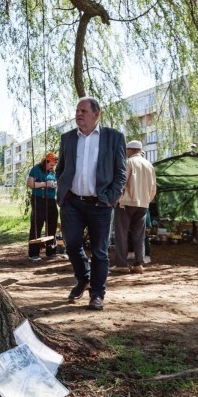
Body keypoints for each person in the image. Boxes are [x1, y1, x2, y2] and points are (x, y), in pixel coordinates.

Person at [55, 97, 127, 310]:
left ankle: (97, 294)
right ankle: (83, 277)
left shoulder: (113, 137)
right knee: (72, 244)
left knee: (100, 251)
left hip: (100, 204)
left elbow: (120, 172)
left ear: (97, 114)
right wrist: (63, 193)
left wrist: (111, 198)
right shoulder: (67, 138)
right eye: (77, 111)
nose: (79, 114)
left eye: (83, 111)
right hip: (72, 203)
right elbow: (61, 169)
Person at [113, 140, 157, 273]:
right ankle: (139, 263)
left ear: (130, 150)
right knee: (139, 235)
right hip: (143, 204)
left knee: (121, 234)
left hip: (126, 203)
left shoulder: (128, 162)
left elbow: (121, 181)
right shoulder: (149, 165)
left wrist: (116, 198)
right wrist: (147, 201)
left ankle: (121, 264)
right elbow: (153, 188)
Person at [26, 152, 58, 262]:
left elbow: (55, 183)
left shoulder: (53, 172)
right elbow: (30, 184)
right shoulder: (36, 169)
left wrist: (55, 185)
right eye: (51, 165)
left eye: (54, 166)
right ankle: (34, 253)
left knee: (52, 225)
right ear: (46, 161)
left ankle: (51, 251)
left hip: (51, 200)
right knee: (37, 225)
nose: (52, 167)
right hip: (39, 199)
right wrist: (44, 184)